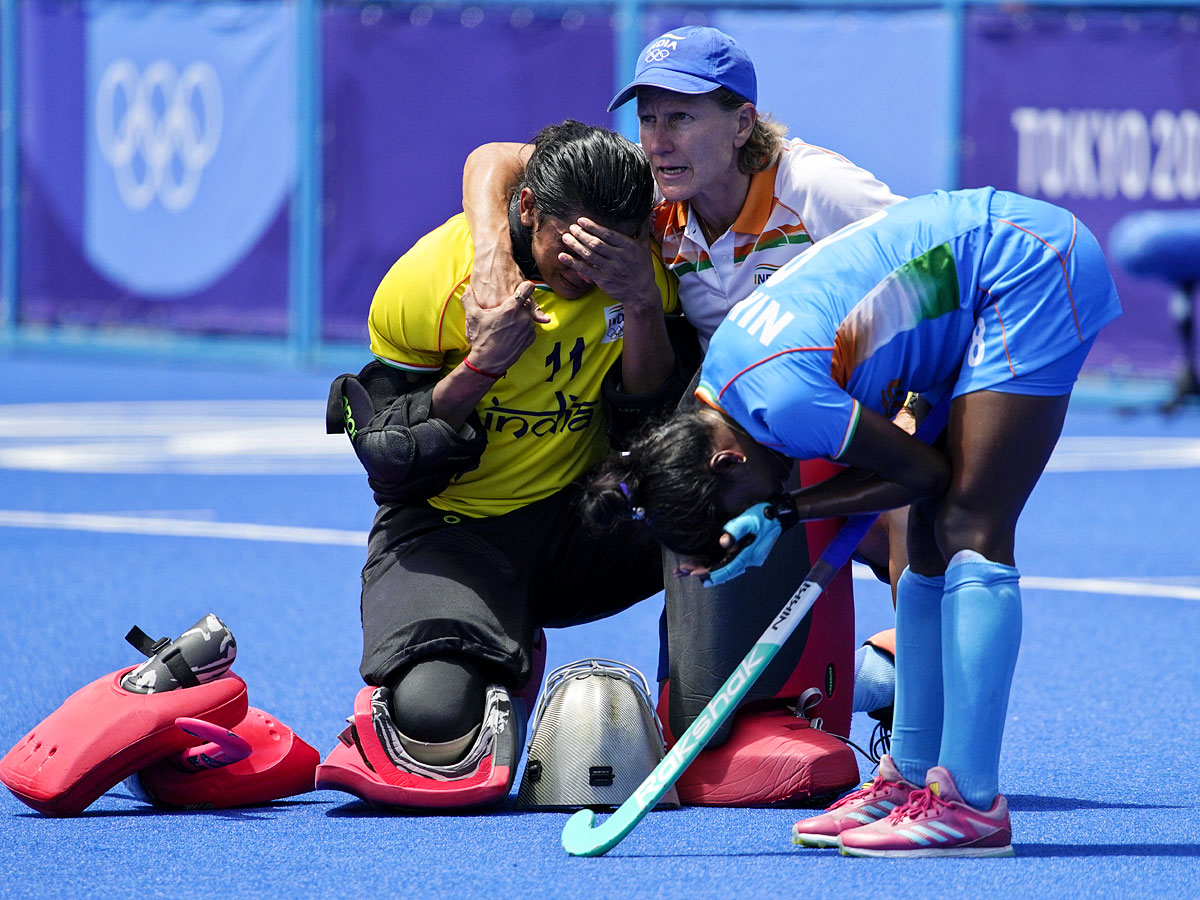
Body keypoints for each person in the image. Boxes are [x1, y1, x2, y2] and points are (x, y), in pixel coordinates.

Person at [583, 186, 1122, 856]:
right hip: (960, 295)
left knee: (966, 522)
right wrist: (776, 508)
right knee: (917, 533)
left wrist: (786, 511)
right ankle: (913, 777)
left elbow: (923, 473)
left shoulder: (783, 398)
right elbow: (905, 482)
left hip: (1026, 266)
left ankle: (971, 804)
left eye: (739, 504)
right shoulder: (725, 380)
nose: (751, 508)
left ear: (724, 458)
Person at [462, 25, 905, 806]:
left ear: (742, 123)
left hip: (850, 402)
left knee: (908, 527)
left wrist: (906, 409)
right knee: (680, 488)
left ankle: (917, 748)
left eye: (683, 118)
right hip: (744, 422)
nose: (660, 141)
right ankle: (709, 701)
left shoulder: (816, 186)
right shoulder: (648, 193)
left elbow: (929, 257)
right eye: (650, 119)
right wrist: (492, 249)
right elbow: (493, 158)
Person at [315, 121, 684, 809]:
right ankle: (490, 648)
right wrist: (482, 366)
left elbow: (652, 422)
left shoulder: (639, 270)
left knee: (726, 505)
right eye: (568, 247)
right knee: (432, 714)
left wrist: (638, 304)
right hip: (452, 534)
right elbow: (390, 465)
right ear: (526, 211)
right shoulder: (433, 282)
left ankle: (717, 715)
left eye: (608, 250)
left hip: (580, 520)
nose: (586, 269)